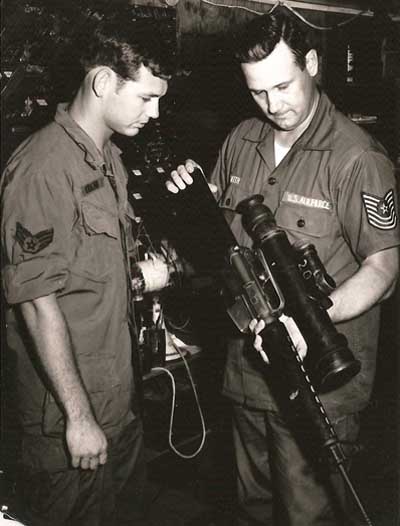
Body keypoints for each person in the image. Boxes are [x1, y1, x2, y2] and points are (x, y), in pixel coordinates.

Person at [167, 11, 400, 526]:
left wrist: (307, 313)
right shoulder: (239, 142)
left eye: (283, 86)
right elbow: (220, 248)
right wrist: (193, 205)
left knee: (308, 516)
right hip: (248, 375)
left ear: (312, 64)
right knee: (253, 510)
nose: (274, 105)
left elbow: (383, 268)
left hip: (319, 382)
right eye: (257, 92)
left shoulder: (357, 158)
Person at [1, 18, 172, 526]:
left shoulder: (110, 160)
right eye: (145, 97)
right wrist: (78, 419)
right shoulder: (43, 169)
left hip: (118, 403)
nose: (155, 112)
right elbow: (35, 300)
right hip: (67, 422)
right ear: (102, 83)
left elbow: (95, 275)